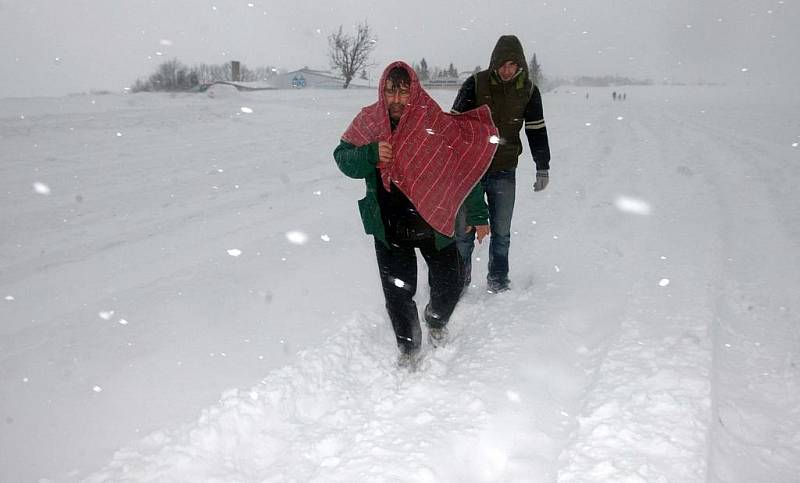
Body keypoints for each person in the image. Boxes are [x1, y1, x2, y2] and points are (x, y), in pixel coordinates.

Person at [334, 61, 497, 368]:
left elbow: (462, 167)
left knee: (451, 284)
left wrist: (478, 214)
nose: (396, 99)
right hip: (390, 228)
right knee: (398, 295)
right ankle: (409, 348)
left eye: (403, 91)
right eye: (390, 91)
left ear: (415, 91)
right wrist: (369, 154)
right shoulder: (370, 121)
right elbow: (342, 158)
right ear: (382, 90)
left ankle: (436, 319)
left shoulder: (431, 118)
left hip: (435, 223)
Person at [451, 35, 551, 293]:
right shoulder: (475, 84)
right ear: (494, 63)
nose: (507, 70)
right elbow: (453, 125)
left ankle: (498, 281)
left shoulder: (528, 91)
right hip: (471, 169)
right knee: (463, 230)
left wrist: (543, 166)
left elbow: (536, 130)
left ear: (520, 66)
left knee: (501, 233)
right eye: (503, 64)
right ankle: (458, 283)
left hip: (505, 169)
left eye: (513, 64)